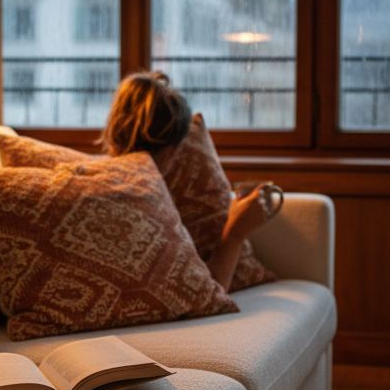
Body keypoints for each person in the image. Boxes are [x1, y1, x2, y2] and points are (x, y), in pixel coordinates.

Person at [99, 71, 274, 291]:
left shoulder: (100, 183)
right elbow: (207, 292)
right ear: (171, 152)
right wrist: (235, 232)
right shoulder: (151, 202)